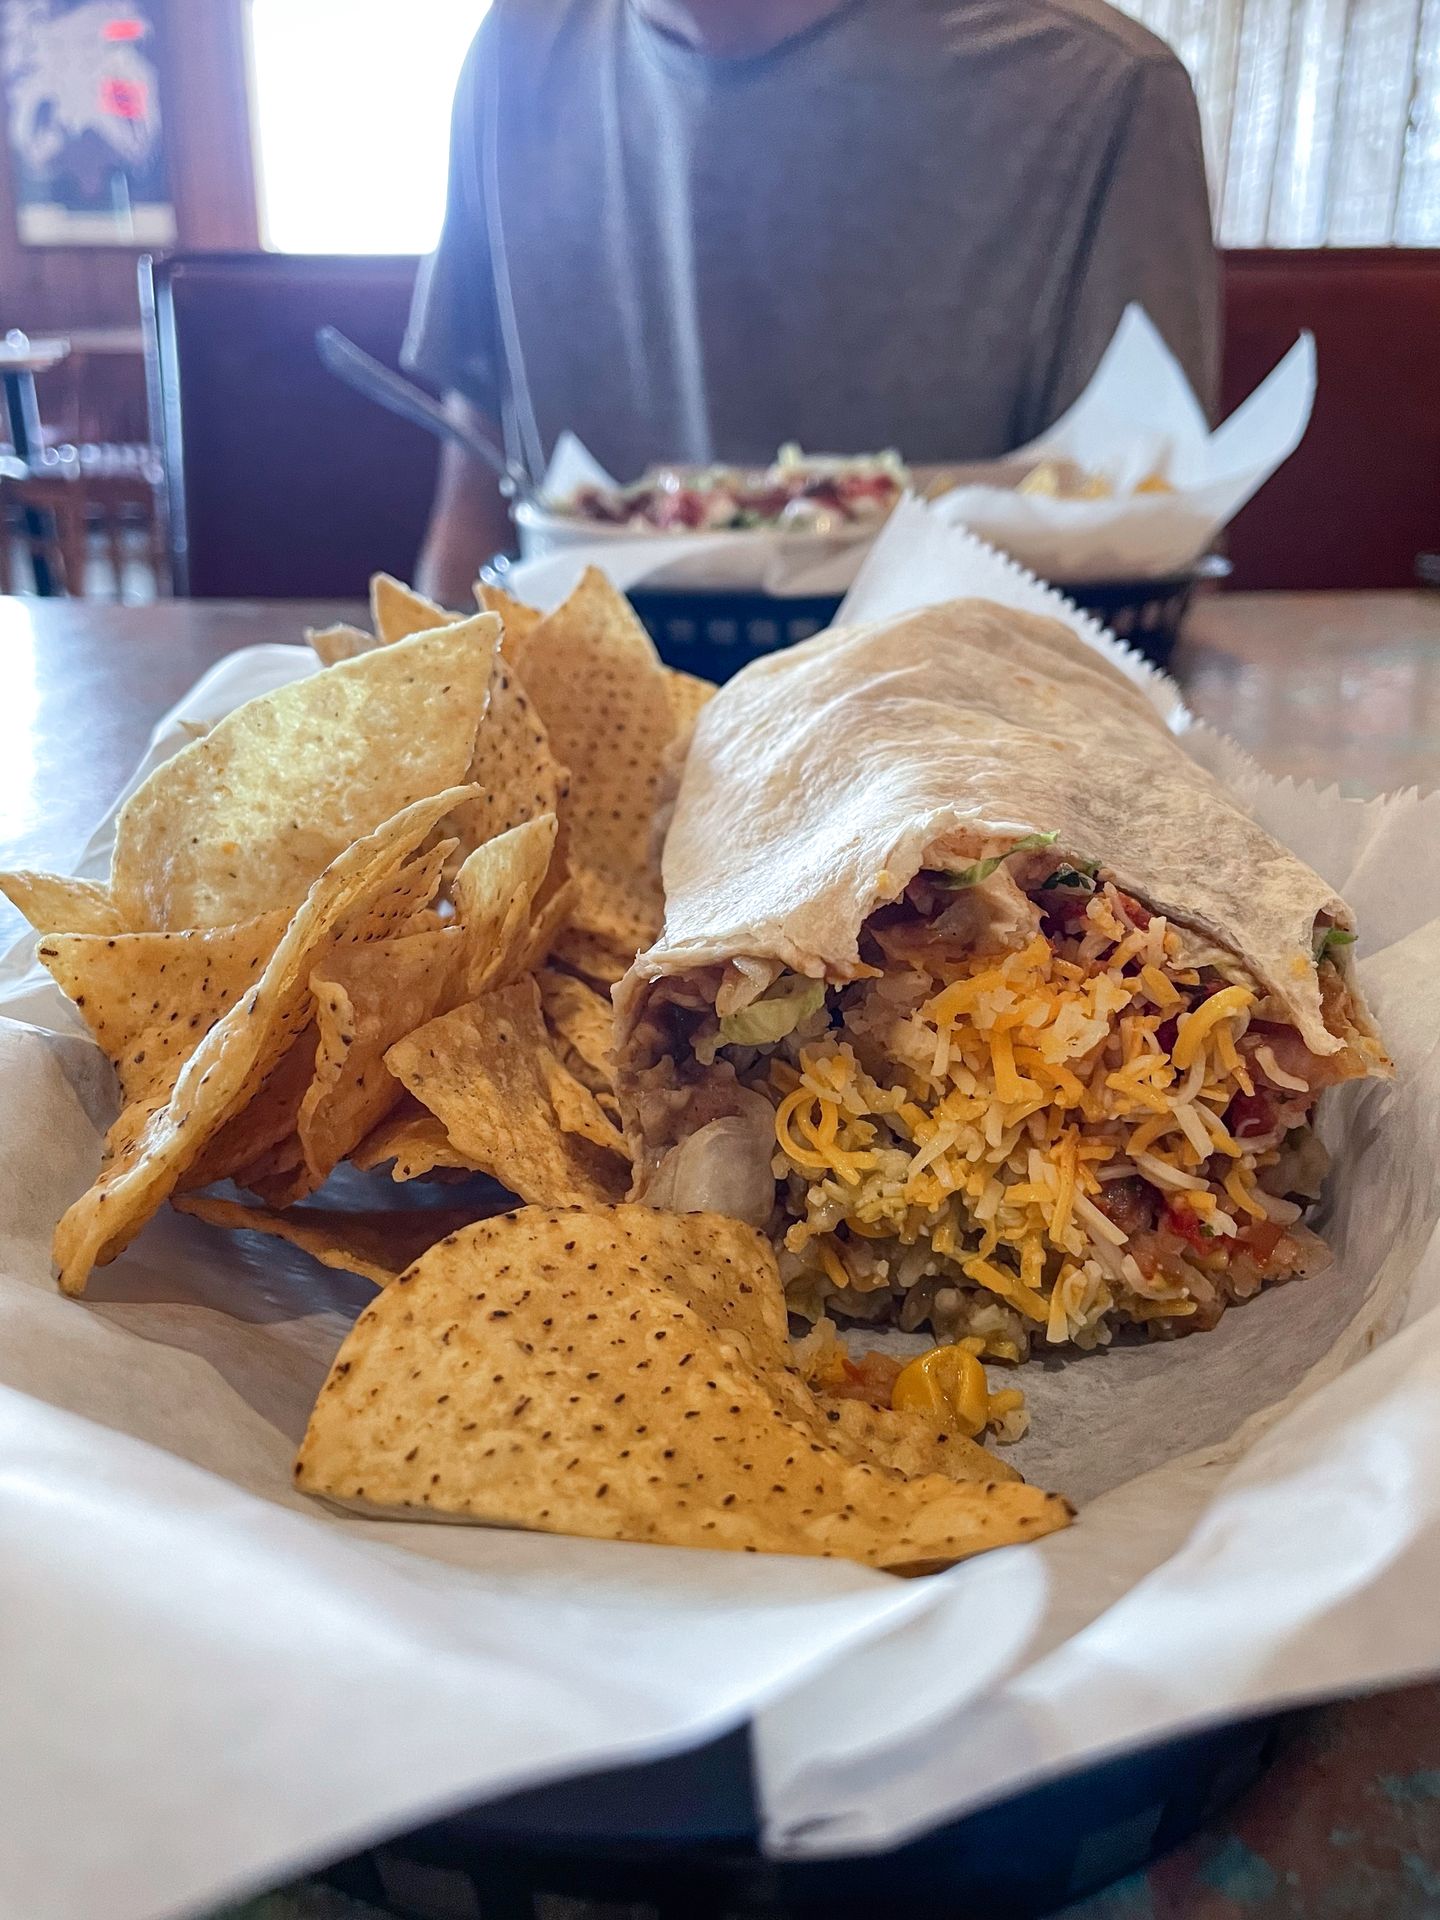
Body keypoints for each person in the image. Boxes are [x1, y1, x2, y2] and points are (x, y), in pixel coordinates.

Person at [406, 0, 1218, 606]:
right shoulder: (515, 50)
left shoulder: (1104, 89)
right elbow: (472, 499)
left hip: (966, 767)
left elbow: (1143, 564)